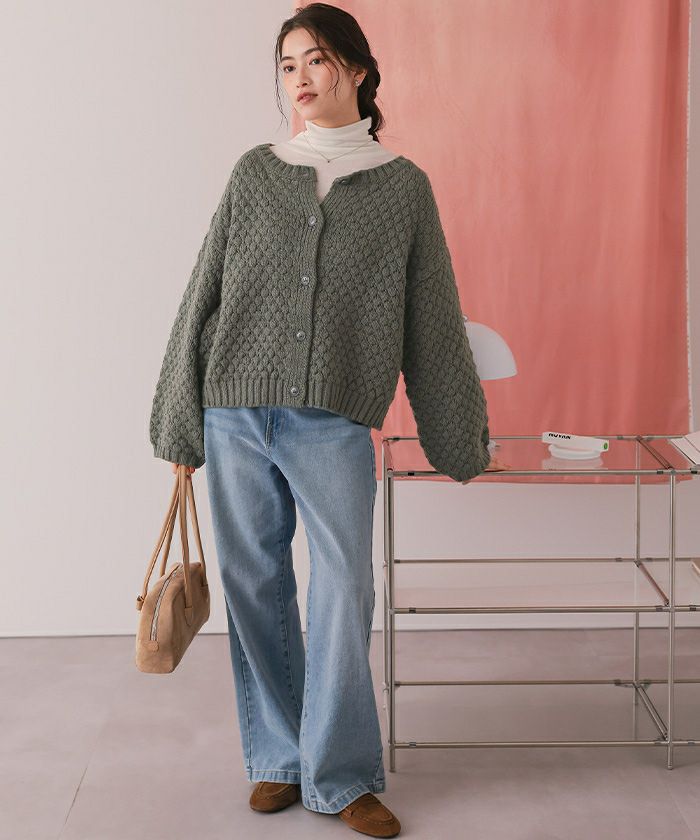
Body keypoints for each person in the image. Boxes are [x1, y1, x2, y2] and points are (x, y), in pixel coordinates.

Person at [150, 3, 492, 836]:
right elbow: (204, 291)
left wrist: (456, 432)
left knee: (343, 588)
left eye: (316, 60)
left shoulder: (403, 188)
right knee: (254, 583)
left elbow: (430, 317)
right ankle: (278, 758)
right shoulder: (255, 173)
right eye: (287, 65)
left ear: (359, 70)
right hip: (234, 412)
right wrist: (179, 418)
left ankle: (339, 775)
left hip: (333, 422)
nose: (299, 79)